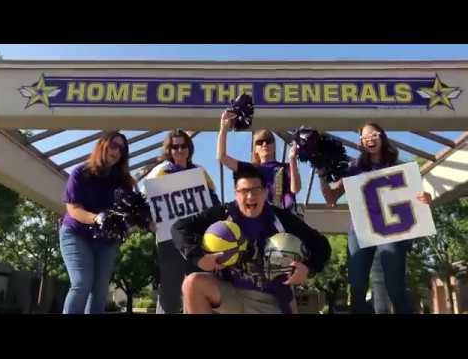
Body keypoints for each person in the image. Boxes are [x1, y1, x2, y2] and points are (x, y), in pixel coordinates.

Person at [172, 164, 331, 314]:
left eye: (256, 190)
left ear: (264, 193)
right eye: (244, 191)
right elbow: (179, 228)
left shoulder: (281, 219)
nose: (250, 196)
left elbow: (321, 245)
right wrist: (199, 257)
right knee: (192, 283)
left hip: (268, 300)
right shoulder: (223, 215)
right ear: (235, 194)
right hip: (229, 293)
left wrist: (308, 268)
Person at [319, 122, 432, 314]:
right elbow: (331, 199)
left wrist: (426, 198)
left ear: (383, 137)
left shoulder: (398, 166)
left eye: (374, 134)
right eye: (365, 136)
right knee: (356, 287)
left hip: (392, 231)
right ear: (361, 142)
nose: (370, 138)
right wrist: (322, 173)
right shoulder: (354, 167)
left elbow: (416, 198)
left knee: (395, 287)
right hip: (360, 231)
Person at [138, 129, 220, 314]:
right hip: (169, 240)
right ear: (169, 150)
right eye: (175, 146)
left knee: (198, 285)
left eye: (183, 145)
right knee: (169, 290)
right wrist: (148, 222)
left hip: (197, 239)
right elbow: (143, 202)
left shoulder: (200, 172)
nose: (180, 150)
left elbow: (213, 202)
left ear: (189, 148)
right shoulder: (160, 171)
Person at [59, 131, 135, 314]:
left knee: (100, 290)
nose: (117, 151)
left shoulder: (124, 182)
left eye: (122, 149)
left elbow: (128, 213)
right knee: (81, 283)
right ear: (102, 145)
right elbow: (73, 209)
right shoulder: (81, 172)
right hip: (76, 234)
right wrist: (96, 218)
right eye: (113, 145)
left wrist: (133, 221)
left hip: (107, 240)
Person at [217, 110, 301, 211]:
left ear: (274, 145)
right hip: (260, 218)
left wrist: (292, 160)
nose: (264, 144)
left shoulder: (285, 167)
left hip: (283, 219)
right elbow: (222, 157)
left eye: (268, 141)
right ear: (255, 149)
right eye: (260, 142)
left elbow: (295, 189)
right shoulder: (251, 169)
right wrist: (223, 128)